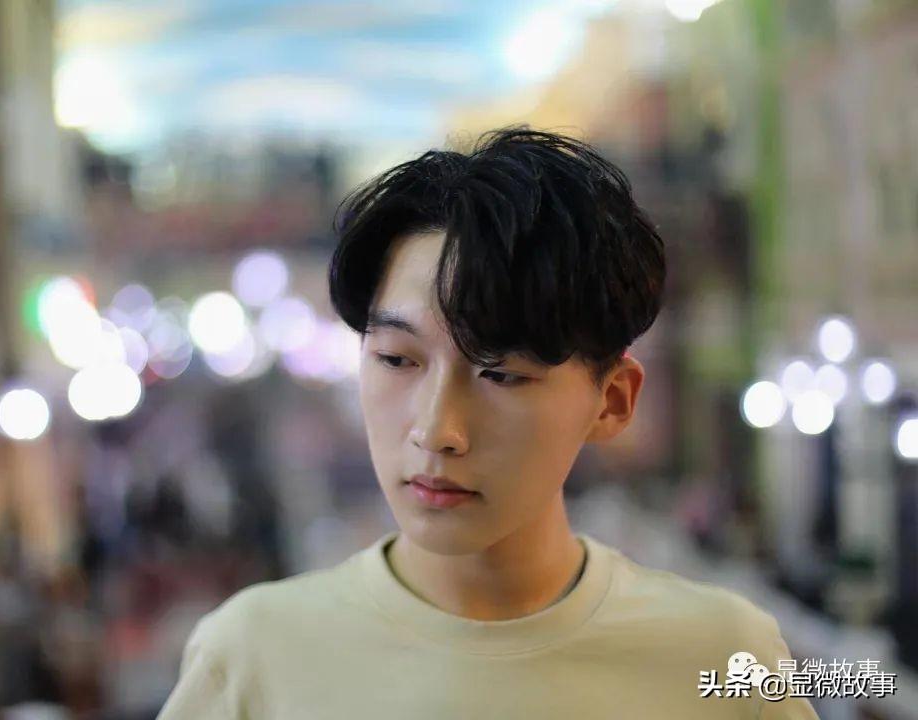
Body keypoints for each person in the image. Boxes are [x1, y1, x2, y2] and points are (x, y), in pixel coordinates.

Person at [158, 128, 820, 719]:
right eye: (396, 359)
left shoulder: (723, 659)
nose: (436, 430)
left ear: (613, 400)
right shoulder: (252, 660)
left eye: (501, 374)